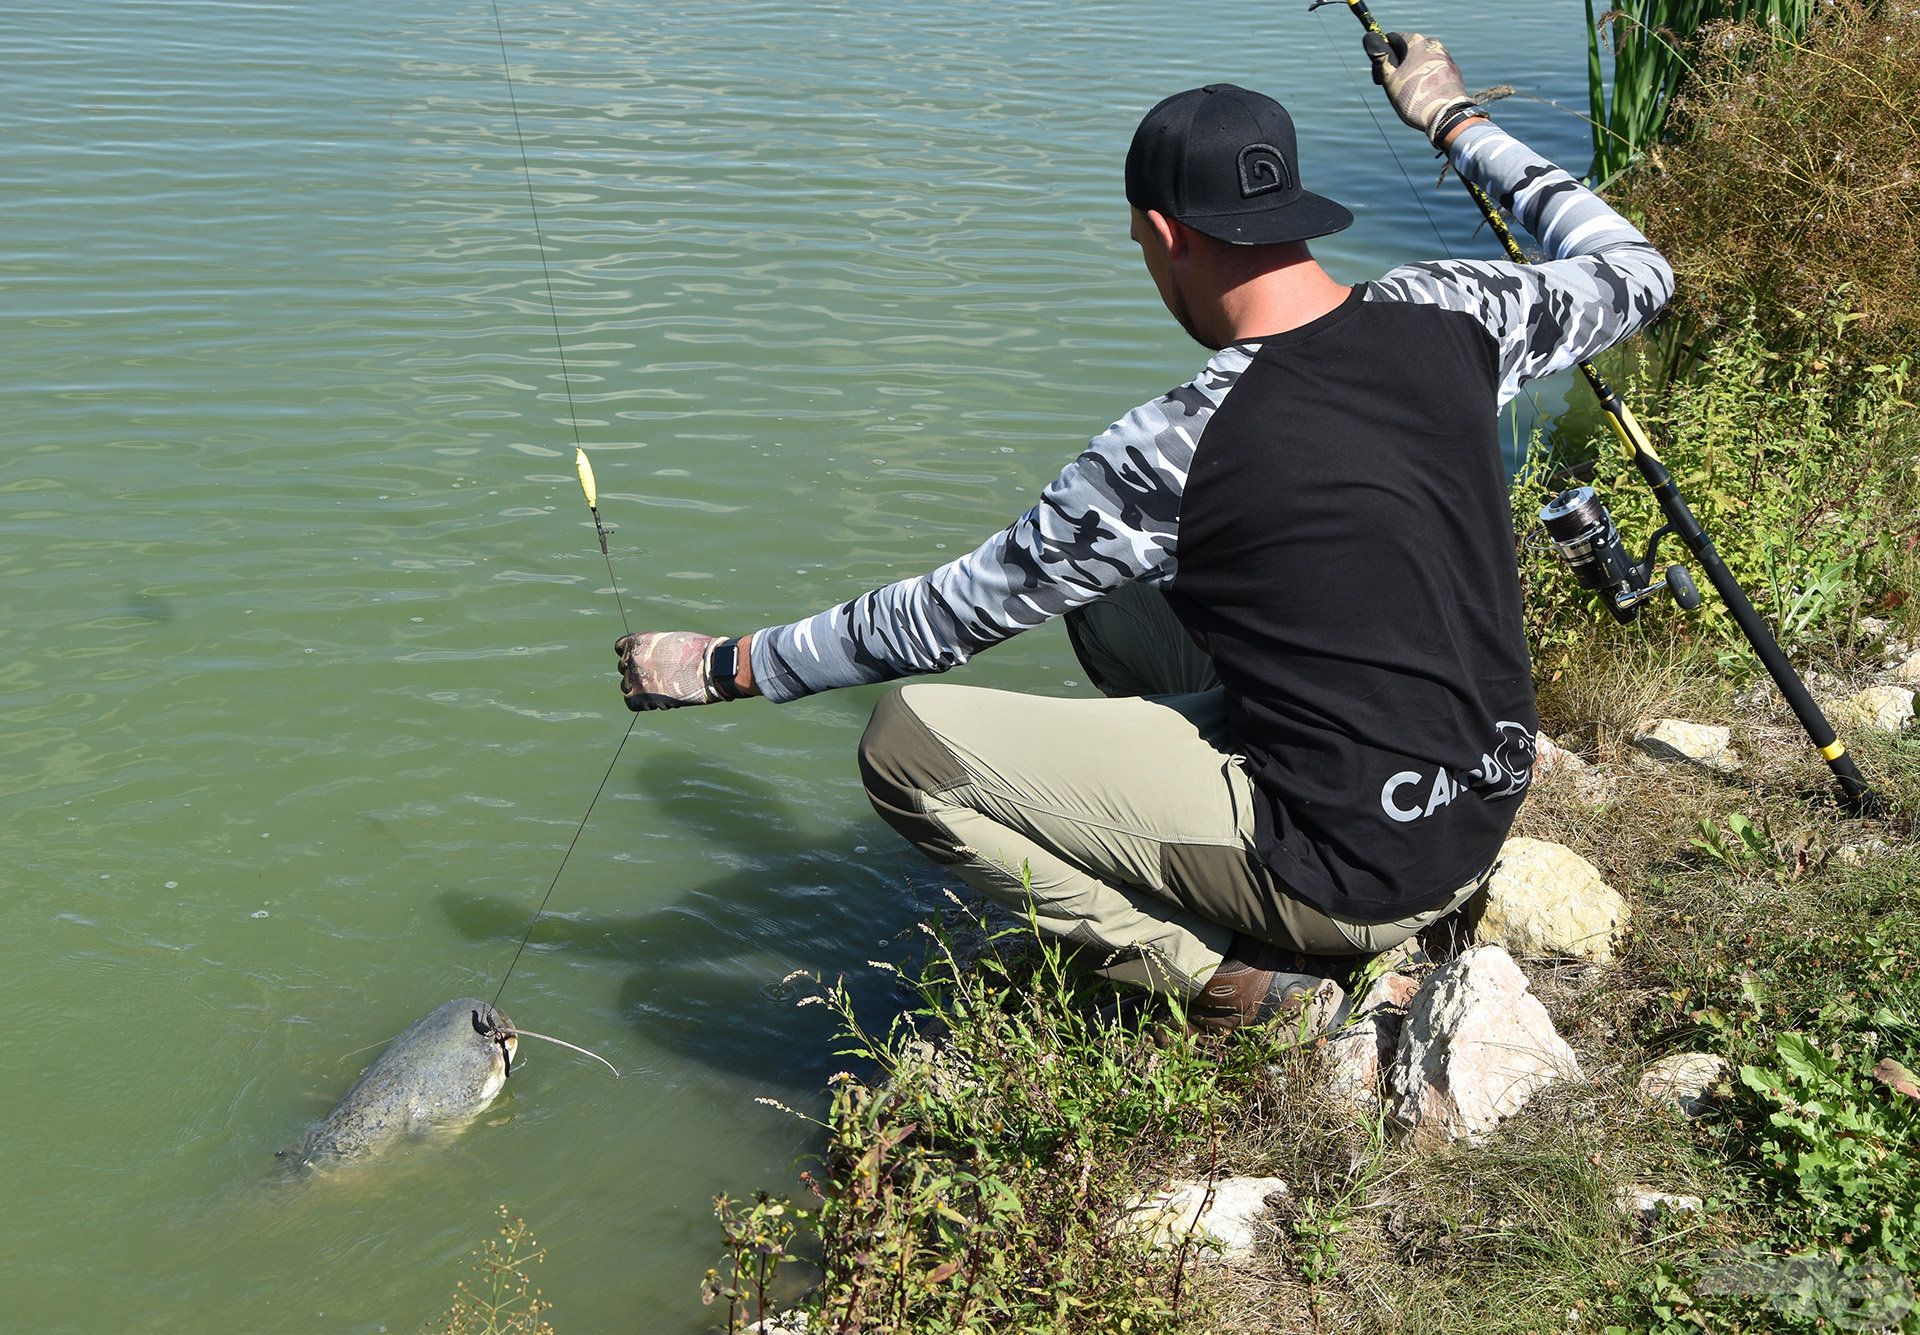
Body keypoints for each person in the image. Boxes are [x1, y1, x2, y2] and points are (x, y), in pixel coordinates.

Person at [613, 33, 1673, 1033]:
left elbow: (940, 621)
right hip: (1483, 792)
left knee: (909, 746)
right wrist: (1450, 118)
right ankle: (1236, 834)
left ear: (1164, 235)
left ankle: (1226, 978)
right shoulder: (1459, 311)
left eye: (1138, 242)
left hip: (1358, 874)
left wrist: (723, 665)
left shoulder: (1175, 444)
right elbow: (1636, 267)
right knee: (1113, 602)